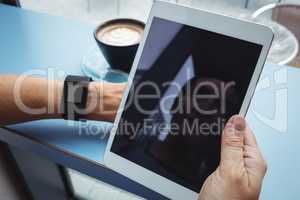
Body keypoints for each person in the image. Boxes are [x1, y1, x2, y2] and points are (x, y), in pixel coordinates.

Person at [0, 75, 267, 200]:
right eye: (205, 97)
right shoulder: (130, 147)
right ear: (175, 104)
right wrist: (91, 99)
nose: (212, 111)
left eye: (223, 107)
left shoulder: (213, 183)